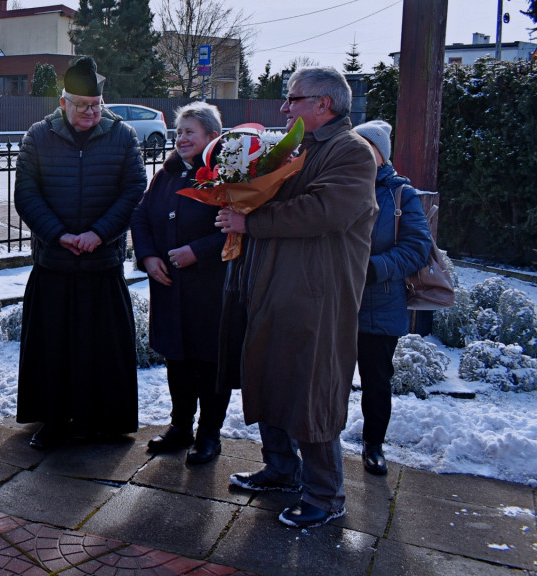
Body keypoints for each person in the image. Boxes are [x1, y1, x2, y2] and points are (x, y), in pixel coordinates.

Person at [216, 67, 378, 528]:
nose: (284, 108)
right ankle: (281, 469)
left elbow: (326, 211)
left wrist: (253, 222)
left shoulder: (351, 152)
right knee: (272, 377)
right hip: (273, 287)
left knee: (311, 389)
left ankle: (326, 496)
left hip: (315, 296)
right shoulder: (297, 148)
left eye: (293, 99)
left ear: (323, 105)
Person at [14, 56, 147, 450]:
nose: (91, 112)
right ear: (63, 103)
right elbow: (26, 193)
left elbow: (132, 190)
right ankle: (54, 419)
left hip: (101, 264)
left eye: (96, 105)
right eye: (82, 105)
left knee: (101, 349)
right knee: (53, 348)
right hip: (54, 262)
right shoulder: (38, 136)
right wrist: (58, 235)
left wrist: (99, 234)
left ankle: (100, 421)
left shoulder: (123, 136)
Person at [130, 102, 231, 464]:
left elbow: (236, 229)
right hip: (170, 285)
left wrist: (197, 251)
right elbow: (141, 214)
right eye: (180, 132)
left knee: (209, 363)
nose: (182, 138)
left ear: (212, 137)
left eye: (191, 132)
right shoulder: (169, 172)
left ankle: (209, 435)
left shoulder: (228, 173)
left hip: (209, 288)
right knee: (178, 360)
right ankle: (180, 426)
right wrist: (148, 256)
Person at [352, 120, 431, 476]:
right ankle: (321, 443)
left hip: (379, 303)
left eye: (365, 148)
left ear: (380, 155)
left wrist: (373, 268)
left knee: (376, 381)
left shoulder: (401, 195)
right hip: (335, 302)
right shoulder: (340, 186)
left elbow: (417, 248)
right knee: (327, 379)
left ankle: (373, 445)